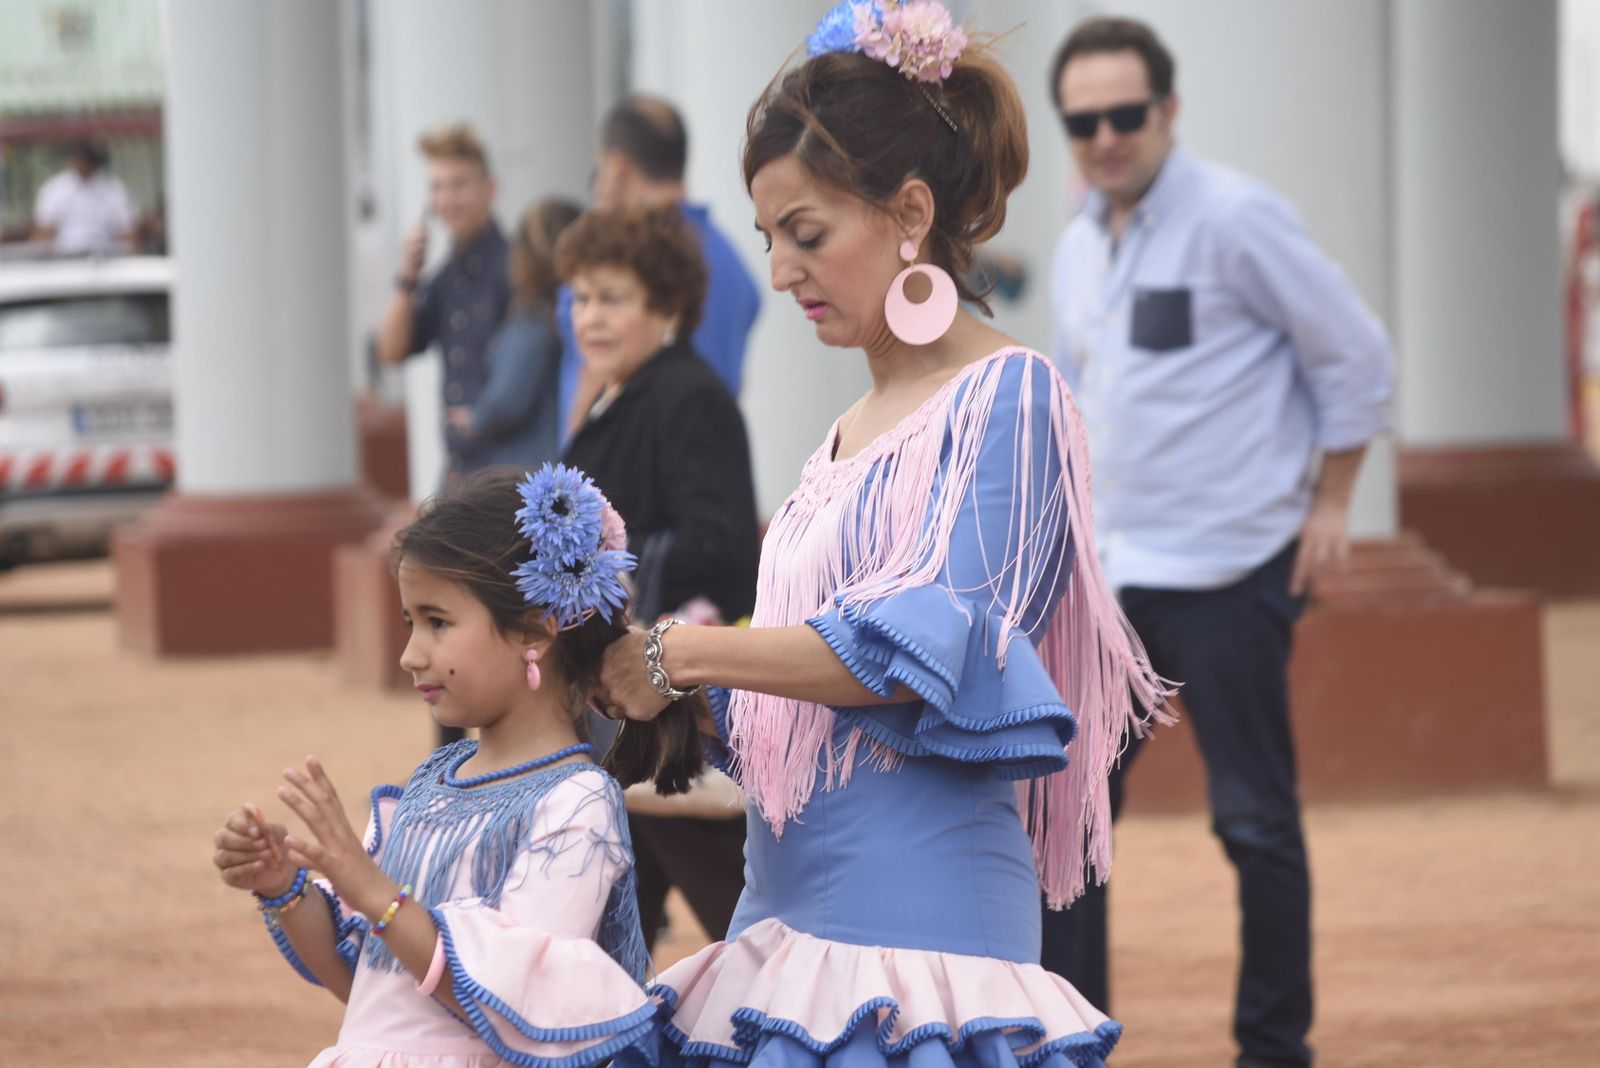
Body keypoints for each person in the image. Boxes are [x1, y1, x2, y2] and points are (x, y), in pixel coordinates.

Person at [597, 5, 1170, 1068]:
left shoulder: (1011, 397)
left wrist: (679, 654)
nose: (781, 269)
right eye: (769, 239)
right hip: (784, 939)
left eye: (806, 233)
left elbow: (914, 659)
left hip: (924, 958)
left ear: (910, 212)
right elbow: (804, 708)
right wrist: (636, 681)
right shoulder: (844, 433)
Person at [1042, 17, 1394, 1068]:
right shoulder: (1075, 248)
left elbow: (1356, 357)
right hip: (1110, 582)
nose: (1106, 137)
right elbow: (1077, 408)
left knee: (1253, 820)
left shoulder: (1238, 220)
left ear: (1168, 110)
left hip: (1231, 572)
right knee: (1071, 818)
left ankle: (1274, 1049)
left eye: (1125, 114)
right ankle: (1074, 1041)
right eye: (1083, 121)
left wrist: (1331, 505)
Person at [210, 464, 710, 1067]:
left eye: (437, 622)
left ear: (535, 633)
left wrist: (373, 892)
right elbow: (369, 982)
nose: (409, 655)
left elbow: (521, 1001)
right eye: (409, 623)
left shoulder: (576, 800)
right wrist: (282, 886)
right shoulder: (432, 781)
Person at [558, 204, 761, 952]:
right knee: (599, 930)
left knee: (755, 930)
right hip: (625, 711)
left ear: (668, 307)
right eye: (581, 298)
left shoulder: (687, 395)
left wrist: (597, 570)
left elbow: (721, 547)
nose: (590, 316)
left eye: (613, 298)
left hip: (679, 719)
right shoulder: (621, 392)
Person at [557, 95, 761, 440]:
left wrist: (576, 460)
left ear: (617, 167)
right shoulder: (734, 266)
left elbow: (590, 380)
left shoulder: (611, 260)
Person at [376, 123, 511, 482]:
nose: (447, 199)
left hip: (508, 470)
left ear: (490, 189)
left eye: (459, 184)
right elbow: (390, 351)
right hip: (458, 468)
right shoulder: (444, 278)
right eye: (437, 187)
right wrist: (408, 277)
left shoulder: (515, 268)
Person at [444, 197, 581, 474]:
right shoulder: (572, 314)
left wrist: (475, 420)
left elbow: (507, 399)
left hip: (530, 465)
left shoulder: (533, 322)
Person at [31, 142, 135, 254]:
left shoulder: (113, 188)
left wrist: (129, 254)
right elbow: (45, 230)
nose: (84, 164)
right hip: (65, 256)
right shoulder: (56, 189)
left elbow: (127, 229)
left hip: (105, 256)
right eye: (80, 159)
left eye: (88, 160)